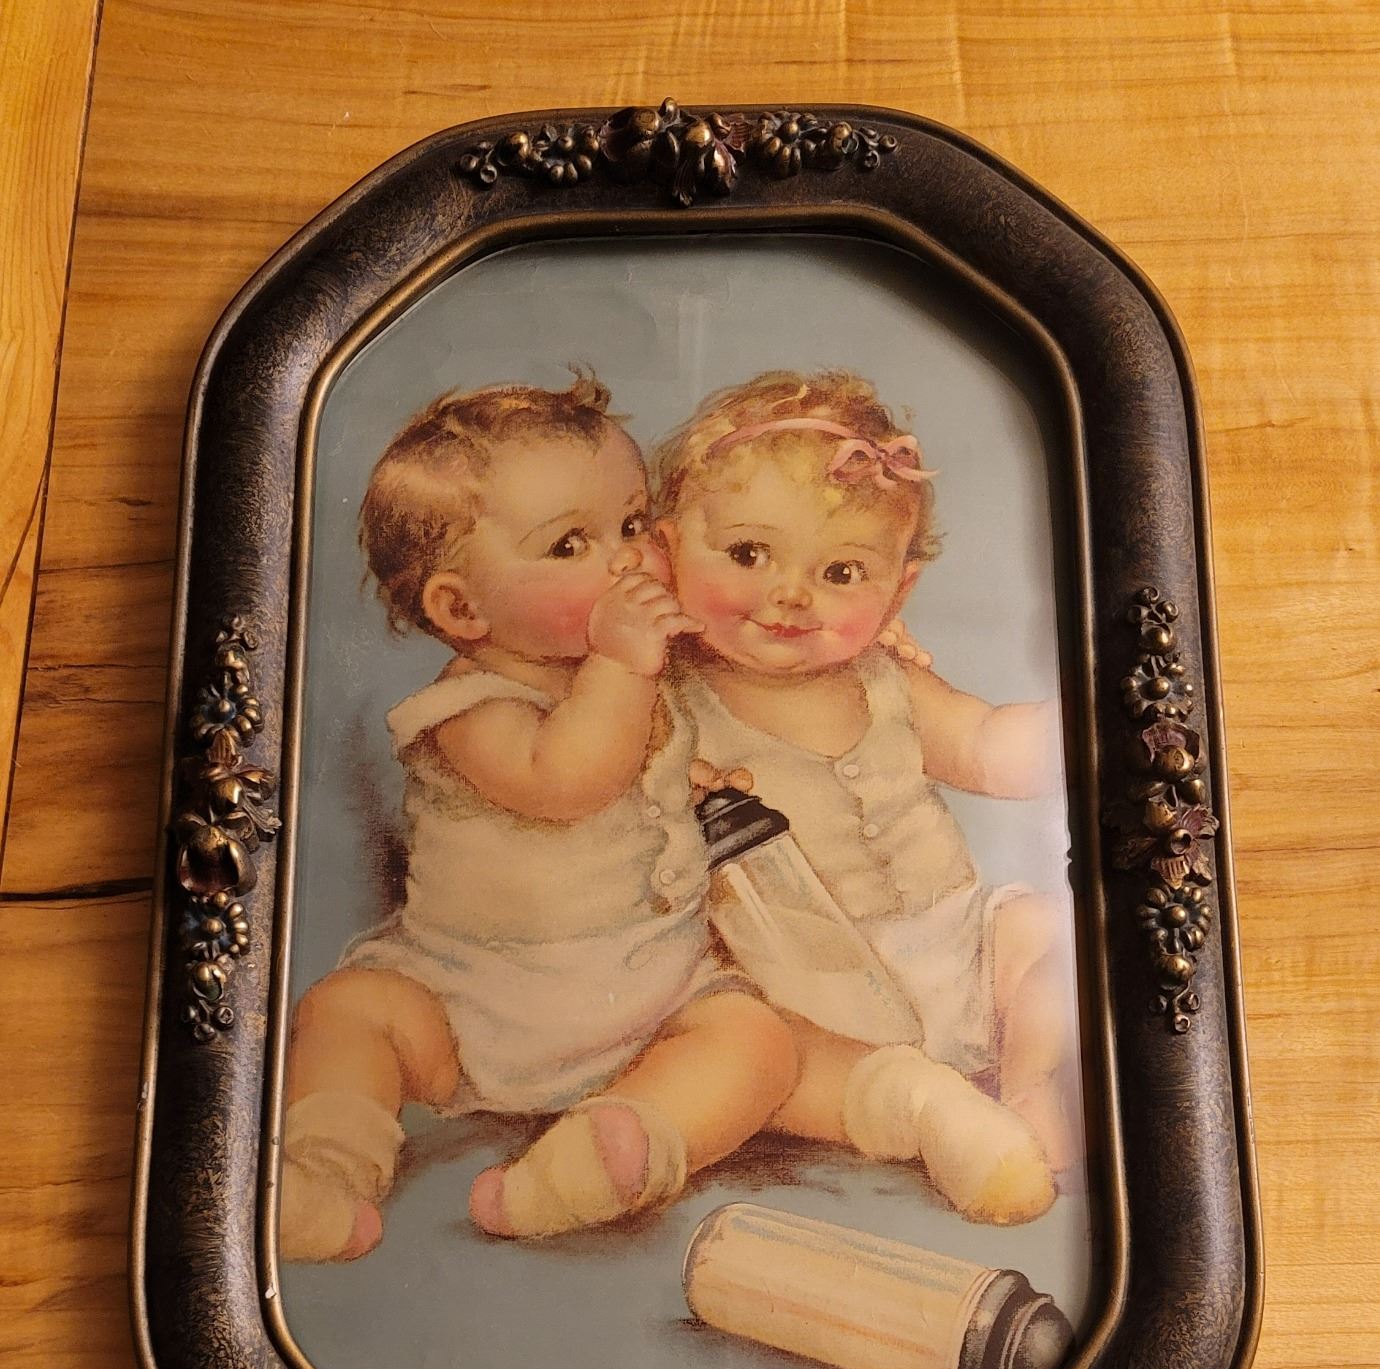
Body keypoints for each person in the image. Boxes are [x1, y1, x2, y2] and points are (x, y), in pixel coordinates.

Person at [279, 376, 800, 1260]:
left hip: (650, 994)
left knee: (757, 1045)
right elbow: (567, 780)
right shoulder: (469, 706)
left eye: (632, 524)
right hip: (469, 1002)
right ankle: (324, 1172)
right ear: (461, 608)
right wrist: (624, 665)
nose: (628, 560)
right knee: (352, 1010)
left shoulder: (630, 686)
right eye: (570, 543)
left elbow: (633, 771)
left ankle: (594, 1164)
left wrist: (692, 779)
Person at [654, 369, 1080, 1179]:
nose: (790, 594)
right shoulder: (667, 702)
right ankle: (920, 1115)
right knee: (754, 1045)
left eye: (842, 573)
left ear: (898, 589)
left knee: (1049, 935)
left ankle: (1027, 1086)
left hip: (962, 945)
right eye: (748, 554)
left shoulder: (889, 679)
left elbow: (984, 745)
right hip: (808, 983)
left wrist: (1085, 727)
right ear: (666, 551)